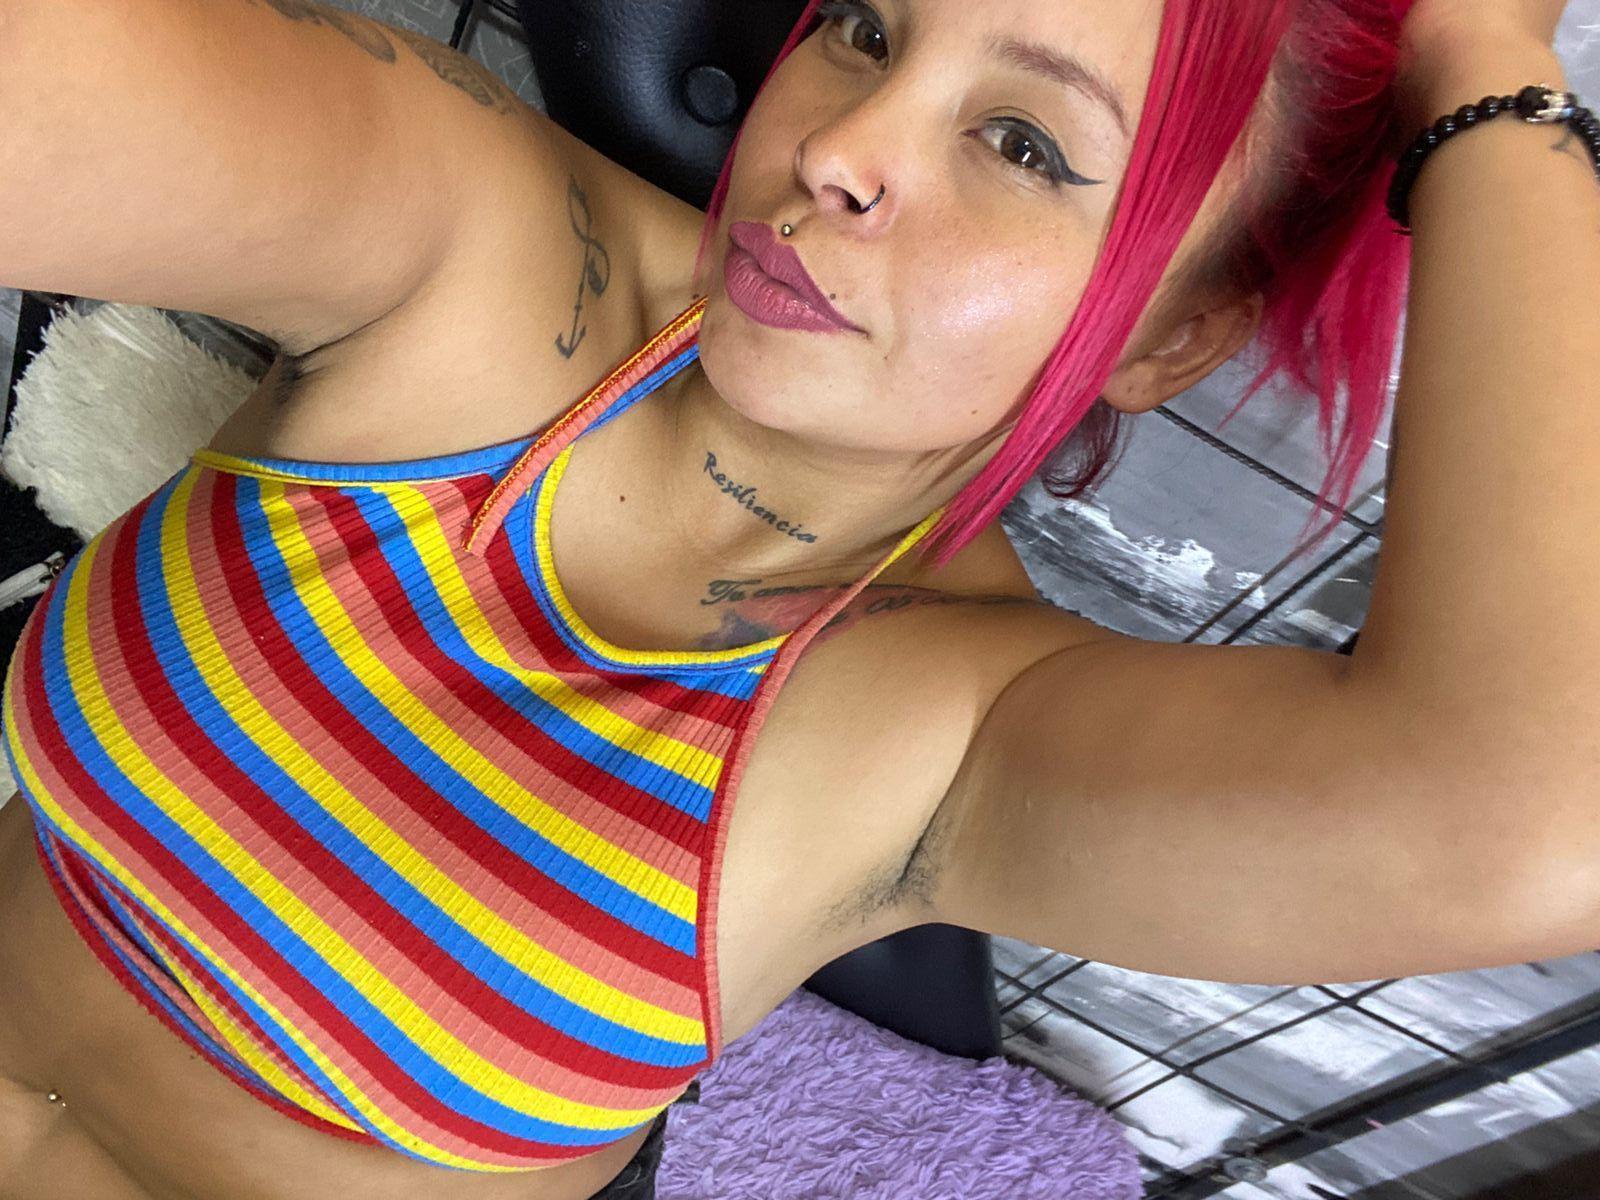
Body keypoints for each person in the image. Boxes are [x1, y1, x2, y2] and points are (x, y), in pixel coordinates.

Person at [0, 0, 1594, 1197]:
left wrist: (1488, 58)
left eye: (1022, 143)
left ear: (1170, 335)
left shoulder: (958, 724)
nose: (839, 149)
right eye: (866, 28)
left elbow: (1533, 818)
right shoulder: (479, 238)